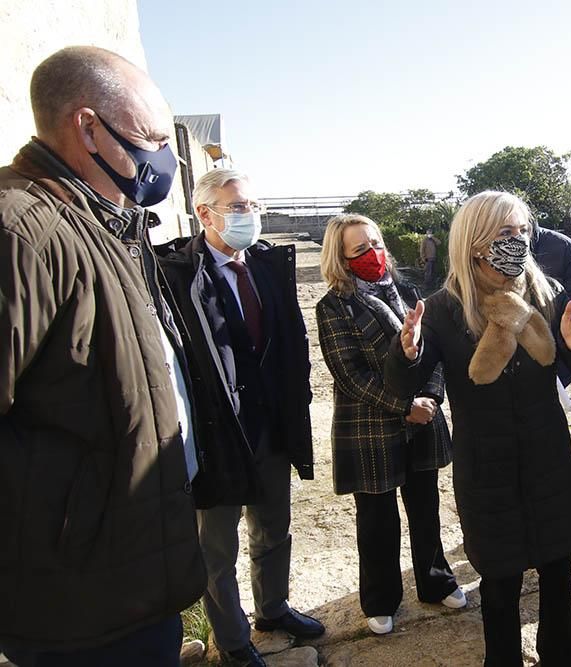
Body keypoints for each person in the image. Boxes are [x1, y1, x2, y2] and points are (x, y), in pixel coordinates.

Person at [0, 46, 205, 666]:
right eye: (148, 138)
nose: (163, 161)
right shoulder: (22, 233)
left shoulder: (108, 225)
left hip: (133, 574)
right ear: (88, 129)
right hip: (78, 600)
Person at [386, 191, 571, 666]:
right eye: (505, 233)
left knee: (558, 568)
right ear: (475, 240)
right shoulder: (444, 308)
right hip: (485, 465)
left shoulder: (549, 295)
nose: (517, 241)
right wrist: (406, 351)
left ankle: (561, 657)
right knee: (500, 581)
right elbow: (407, 381)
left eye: (524, 231)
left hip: (548, 455)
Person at [156, 169, 323, 667]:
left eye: (253, 206)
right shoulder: (176, 273)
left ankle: (272, 609)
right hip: (218, 435)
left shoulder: (269, 265)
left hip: (272, 427)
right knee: (217, 548)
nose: (249, 216)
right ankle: (232, 641)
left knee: (274, 526)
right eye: (237, 208)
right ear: (204, 214)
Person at [315, 214, 464, 636]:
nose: (373, 254)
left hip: (423, 420)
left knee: (426, 509)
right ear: (341, 258)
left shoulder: (409, 290)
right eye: (360, 249)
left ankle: (435, 581)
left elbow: (434, 352)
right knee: (377, 520)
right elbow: (350, 375)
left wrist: (431, 398)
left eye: (376, 243)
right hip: (370, 427)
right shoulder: (333, 306)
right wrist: (404, 405)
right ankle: (381, 598)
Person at [529, 221, 571, 387]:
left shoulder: (562, 246)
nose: (516, 237)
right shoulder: (476, 248)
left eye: (522, 229)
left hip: (552, 367)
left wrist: (565, 342)